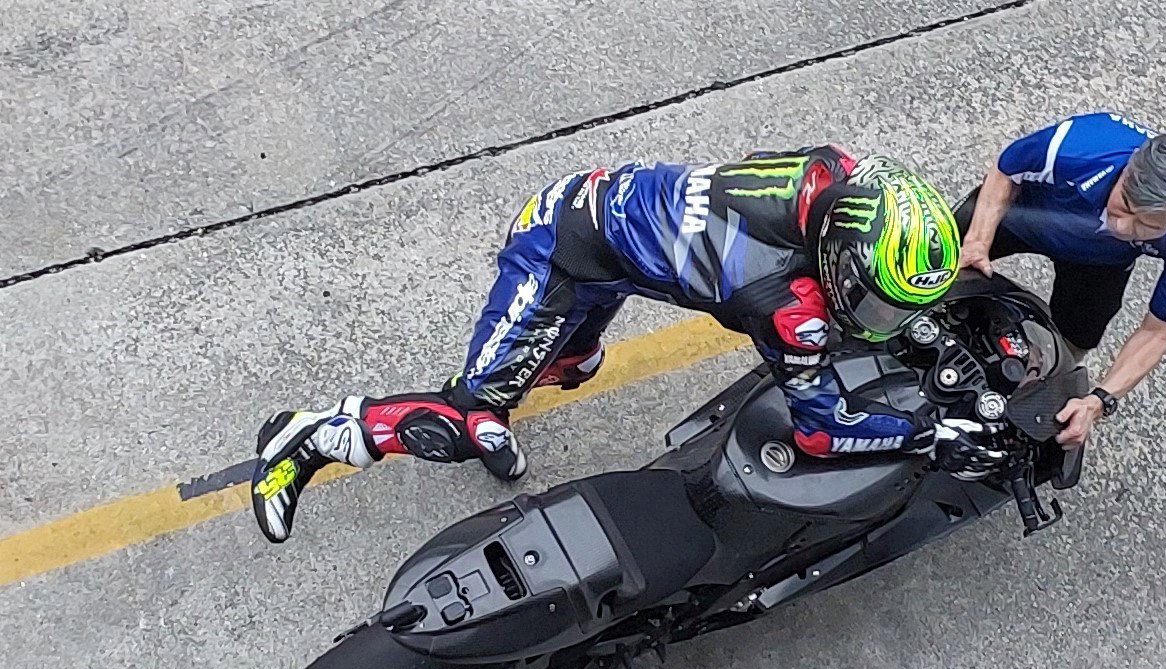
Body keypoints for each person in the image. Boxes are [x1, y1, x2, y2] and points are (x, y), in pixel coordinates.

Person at [251, 149, 999, 544]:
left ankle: (501, 389)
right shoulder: (777, 302)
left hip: (607, 239)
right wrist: (931, 430)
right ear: (836, 254)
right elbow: (821, 427)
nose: (872, 320)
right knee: (462, 420)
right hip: (558, 254)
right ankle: (313, 436)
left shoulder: (833, 175)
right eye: (868, 297)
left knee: (576, 366)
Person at [954, 112, 1166, 448]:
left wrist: (1098, 401)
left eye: (1149, 227)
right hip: (1026, 215)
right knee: (927, 259)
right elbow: (1006, 172)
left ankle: (1027, 391)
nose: (1123, 228)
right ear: (1128, 170)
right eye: (1125, 204)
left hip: (1099, 264)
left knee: (1075, 341)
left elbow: (1157, 332)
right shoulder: (1077, 147)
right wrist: (978, 242)